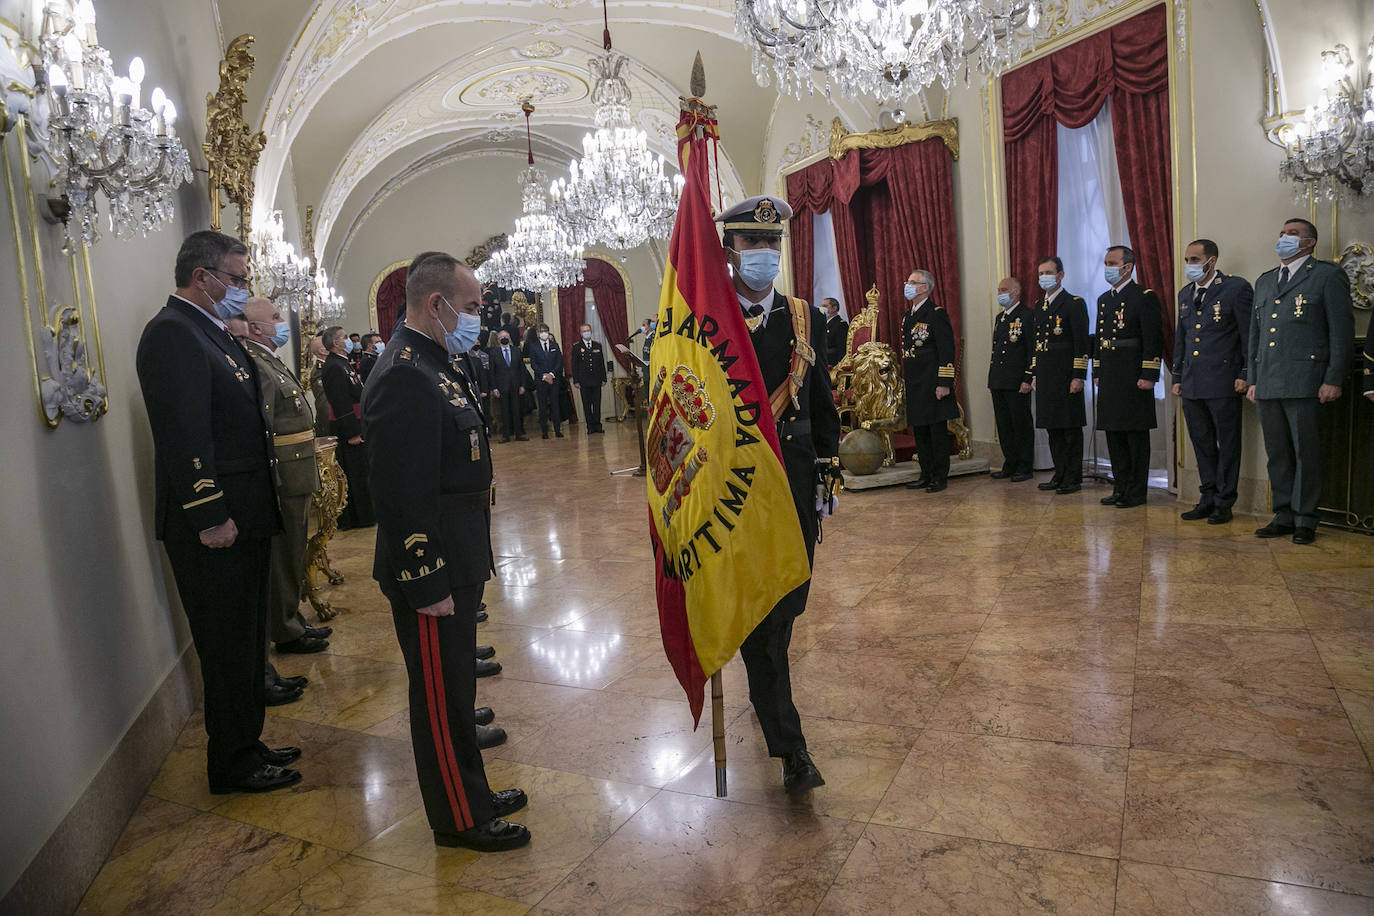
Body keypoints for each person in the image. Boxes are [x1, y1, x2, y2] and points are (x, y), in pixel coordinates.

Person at [362, 252, 529, 852]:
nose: (479, 318)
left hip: (458, 554)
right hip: (432, 566)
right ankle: (460, 817)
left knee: (457, 688)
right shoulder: (405, 371)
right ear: (437, 305)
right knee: (438, 697)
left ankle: (474, 791)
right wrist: (425, 580)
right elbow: (400, 494)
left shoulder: (435, 362)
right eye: (473, 307)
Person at [135, 229, 298, 795]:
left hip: (244, 516)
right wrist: (209, 515)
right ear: (201, 277)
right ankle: (231, 763)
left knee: (246, 639)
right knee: (226, 646)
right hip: (216, 525)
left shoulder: (210, 334)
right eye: (235, 279)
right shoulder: (173, 334)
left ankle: (247, 744)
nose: (242, 290)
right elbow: (185, 436)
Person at [718, 194, 840, 796]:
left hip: (792, 485)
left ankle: (768, 686)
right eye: (752, 245)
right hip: (734, 491)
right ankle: (790, 746)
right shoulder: (705, 318)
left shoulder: (799, 316)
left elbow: (817, 397)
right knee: (765, 626)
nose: (764, 255)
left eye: (773, 245)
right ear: (729, 250)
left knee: (786, 610)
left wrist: (827, 467)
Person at [242, 298, 332, 683]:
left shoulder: (272, 360)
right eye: (275, 318)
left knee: (294, 550)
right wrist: (273, 481)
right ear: (255, 327)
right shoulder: (258, 364)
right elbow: (262, 430)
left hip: (298, 472)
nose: (282, 323)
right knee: (284, 556)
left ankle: (292, 619)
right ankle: (287, 628)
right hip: (285, 476)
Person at [1248, 217, 1354, 545]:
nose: (1283, 238)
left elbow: (1341, 331)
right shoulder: (1265, 281)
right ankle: (1283, 514)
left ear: (1309, 242)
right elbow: (1256, 335)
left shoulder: (1326, 276)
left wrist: (1333, 378)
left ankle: (1306, 517)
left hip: (1306, 380)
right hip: (1268, 381)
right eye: (1282, 233)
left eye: (1292, 234)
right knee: (1277, 452)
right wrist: (1253, 379)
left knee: (1307, 452)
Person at [1172, 239, 1254, 525]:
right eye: (1187, 260)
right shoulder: (1185, 295)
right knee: (1202, 443)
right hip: (1192, 382)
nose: (1190, 265)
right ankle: (1207, 496)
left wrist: (1245, 373)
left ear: (1212, 260)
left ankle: (1224, 501)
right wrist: (1177, 377)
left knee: (1228, 444)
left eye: (1195, 260)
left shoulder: (1235, 289)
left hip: (1223, 381)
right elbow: (1181, 340)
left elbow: (1248, 336)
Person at [1093, 246, 1163, 509]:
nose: (1108, 268)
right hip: (1110, 375)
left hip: (1133, 376)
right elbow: (1100, 340)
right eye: (1106, 262)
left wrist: (1149, 374)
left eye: (1112, 263)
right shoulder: (1103, 299)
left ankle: (1136, 491)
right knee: (1114, 434)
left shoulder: (1143, 296)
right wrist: (1097, 371)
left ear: (1128, 267)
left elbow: (1152, 339)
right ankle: (1120, 487)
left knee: (1134, 436)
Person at [1031, 256, 1090, 494]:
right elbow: (1037, 344)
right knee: (1053, 429)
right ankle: (1059, 473)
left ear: (1061, 275)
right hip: (1046, 377)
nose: (1044, 277)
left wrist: (1079, 375)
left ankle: (1073, 477)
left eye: (1048, 272)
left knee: (1070, 430)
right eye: (1040, 274)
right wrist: (1034, 373)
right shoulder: (1038, 306)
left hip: (1066, 376)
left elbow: (1081, 343)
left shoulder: (1073, 303)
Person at [900, 269, 958, 493]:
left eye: (913, 282)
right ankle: (925, 473)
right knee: (921, 432)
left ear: (925, 287)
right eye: (908, 281)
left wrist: (944, 382)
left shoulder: (936, 314)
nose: (908, 285)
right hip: (915, 383)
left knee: (936, 432)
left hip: (933, 383)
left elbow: (946, 349)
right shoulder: (909, 315)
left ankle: (939, 477)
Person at [321, 325, 375, 529]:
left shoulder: (343, 363)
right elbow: (340, 401)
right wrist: (352, 432)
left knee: (362, 472)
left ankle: (367, 514)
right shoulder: (333, 366)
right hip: (347, 429)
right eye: (344, 337)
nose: (349, 340)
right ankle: (357, 518)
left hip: (357, 422)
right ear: (336, 343)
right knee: (354, 474)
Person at [987, 277, 1034, 482]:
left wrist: (1027, 377)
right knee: (1004, 425)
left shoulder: (1027, 315)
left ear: (1016, 292)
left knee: (1020, 424)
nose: (1000, 293)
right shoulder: (1001, 318)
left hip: (1017, 381)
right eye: (998, 290)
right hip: (999, 380)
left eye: (1004, 289)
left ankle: (1025, 465)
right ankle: (1010, 463)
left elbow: (1032, 350)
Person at [488, 328, 529, 442]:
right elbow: (492, 372)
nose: (504, 339)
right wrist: (494, 388)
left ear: (509, 338)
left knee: (517, 410)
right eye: (502, 337)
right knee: (504, 411)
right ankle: (506, 435)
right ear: (498, 339)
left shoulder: (516, 350)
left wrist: (522, 385)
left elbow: (522, 370)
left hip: (516, 386)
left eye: (506, 337)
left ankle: (519, 434)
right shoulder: (494, 353)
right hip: (502, 387)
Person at [528, 323, 564, 438]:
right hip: (541, 380)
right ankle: (544, 431)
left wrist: (552, 374)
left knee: (555, 405)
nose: (544, 333)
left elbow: (559, 361)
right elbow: (534, 364)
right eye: (541, 331)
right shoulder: (533, 346)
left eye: (546, 330)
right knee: (542, 406)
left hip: (554, 380)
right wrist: (544, 376)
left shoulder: (555, 345)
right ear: (538, 333)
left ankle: (557, 430)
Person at [571, 323, 607, 434]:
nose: (587, 332)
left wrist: (604, 378)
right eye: (584, 331)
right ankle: (590, 426)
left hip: (596, 380)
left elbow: (601, 363)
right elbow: (574, 365)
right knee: (587, 405)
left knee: (597, 404)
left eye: (588, 330)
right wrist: (576, 380)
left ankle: (598, 425)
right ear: (581, 333)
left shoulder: (597, 345)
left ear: (591, 331)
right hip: (584, 381)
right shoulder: (576, 347)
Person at [307, 334, 330, 437]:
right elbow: (324, 403)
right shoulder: (320, 371)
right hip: (330, 426)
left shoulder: (330, 367)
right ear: (323, 351)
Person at [822, 297, 848, 368]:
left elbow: (841, 347)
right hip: (823, 360)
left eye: (825, 306)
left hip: (832, 362)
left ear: (834, 308)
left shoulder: (841, 324)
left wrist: (838, 365)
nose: (822, 308)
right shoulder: (823, 323)